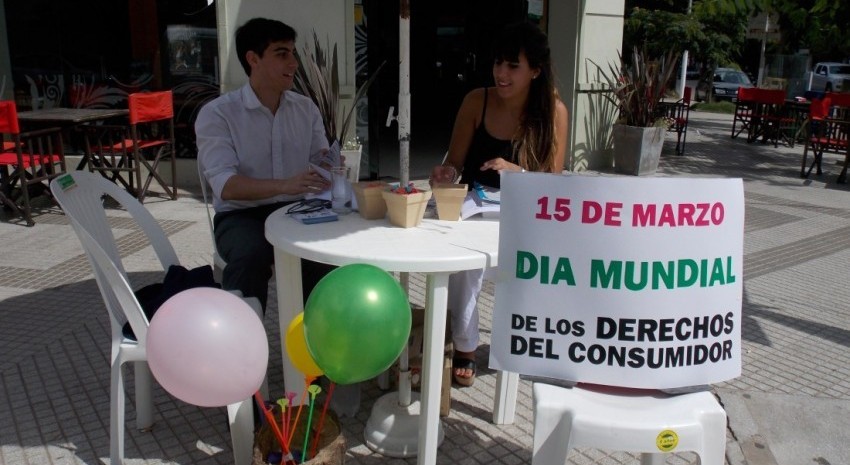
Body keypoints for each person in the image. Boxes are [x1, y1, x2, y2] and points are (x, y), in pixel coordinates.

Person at [430, 21, 568, 386]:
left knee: (528, 270)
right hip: (476, 206)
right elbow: (455, 162)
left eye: (512, 66)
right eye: (497, 63)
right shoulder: (477, 100)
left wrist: (517, 172)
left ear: (535, 71)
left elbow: (553, 186)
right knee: (464, 261)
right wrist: (446, 173)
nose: (501, 73)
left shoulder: (554, 112)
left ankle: (522, 341)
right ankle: (465, 344)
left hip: (528, 214)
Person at [196, 18, 335, 312]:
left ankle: (318, 333)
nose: (293, 63)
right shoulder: (218, 114)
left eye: (293, 53)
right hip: (241, 215)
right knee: (250, 256)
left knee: (326, 254)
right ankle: (241, 334)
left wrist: (330, 165)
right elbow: (226, 186)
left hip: (296, 210)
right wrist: (285, 185)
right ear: (253, 59)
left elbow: (320, 161)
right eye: (282, 53)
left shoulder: (306, 108)